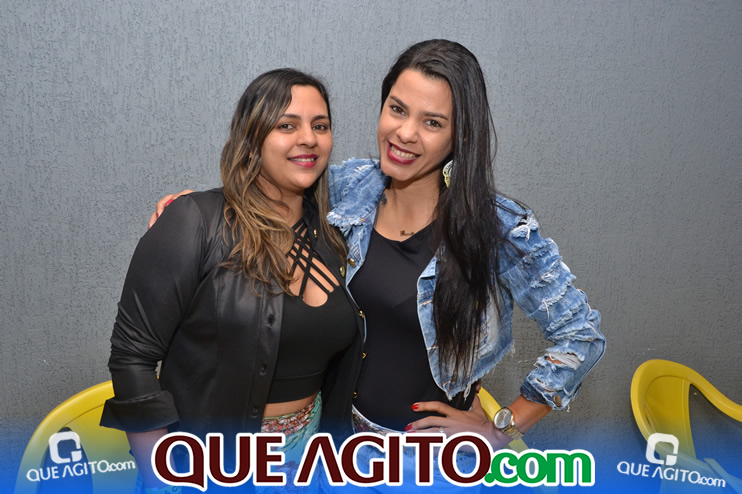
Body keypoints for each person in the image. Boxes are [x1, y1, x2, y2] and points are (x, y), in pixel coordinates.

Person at [153, 39, 605, 491]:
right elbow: (270, 186)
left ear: (461, 137)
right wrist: (196, 209)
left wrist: (502, 428)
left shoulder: (498, 228)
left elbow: (581, 334)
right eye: (397, 109)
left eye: (432, 122)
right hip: (335, 450)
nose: (405, 133)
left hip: (425, 467)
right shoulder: (348, 187)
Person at [101, 68, 363, 493]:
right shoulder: (196, 222)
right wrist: (162, 478)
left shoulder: (335, 236)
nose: (309, 139)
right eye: (286, 125)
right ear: (252, 137)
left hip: (311, 467)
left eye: (320, 126)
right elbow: (132, 358)